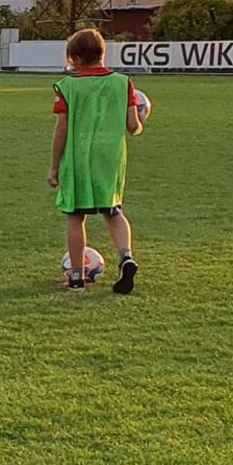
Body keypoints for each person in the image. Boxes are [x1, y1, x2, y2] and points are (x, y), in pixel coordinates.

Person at [50, 27, 143, 294]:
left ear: (74, 59)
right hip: (110, 157)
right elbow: (132, 125)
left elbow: (61, 130)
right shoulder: (123, 83)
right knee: (113, 211)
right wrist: (140, 122)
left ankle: (77, 278)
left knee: (76, 216)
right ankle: (126, 257)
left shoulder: (67, 86)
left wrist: (54, 167)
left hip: (79, 157)